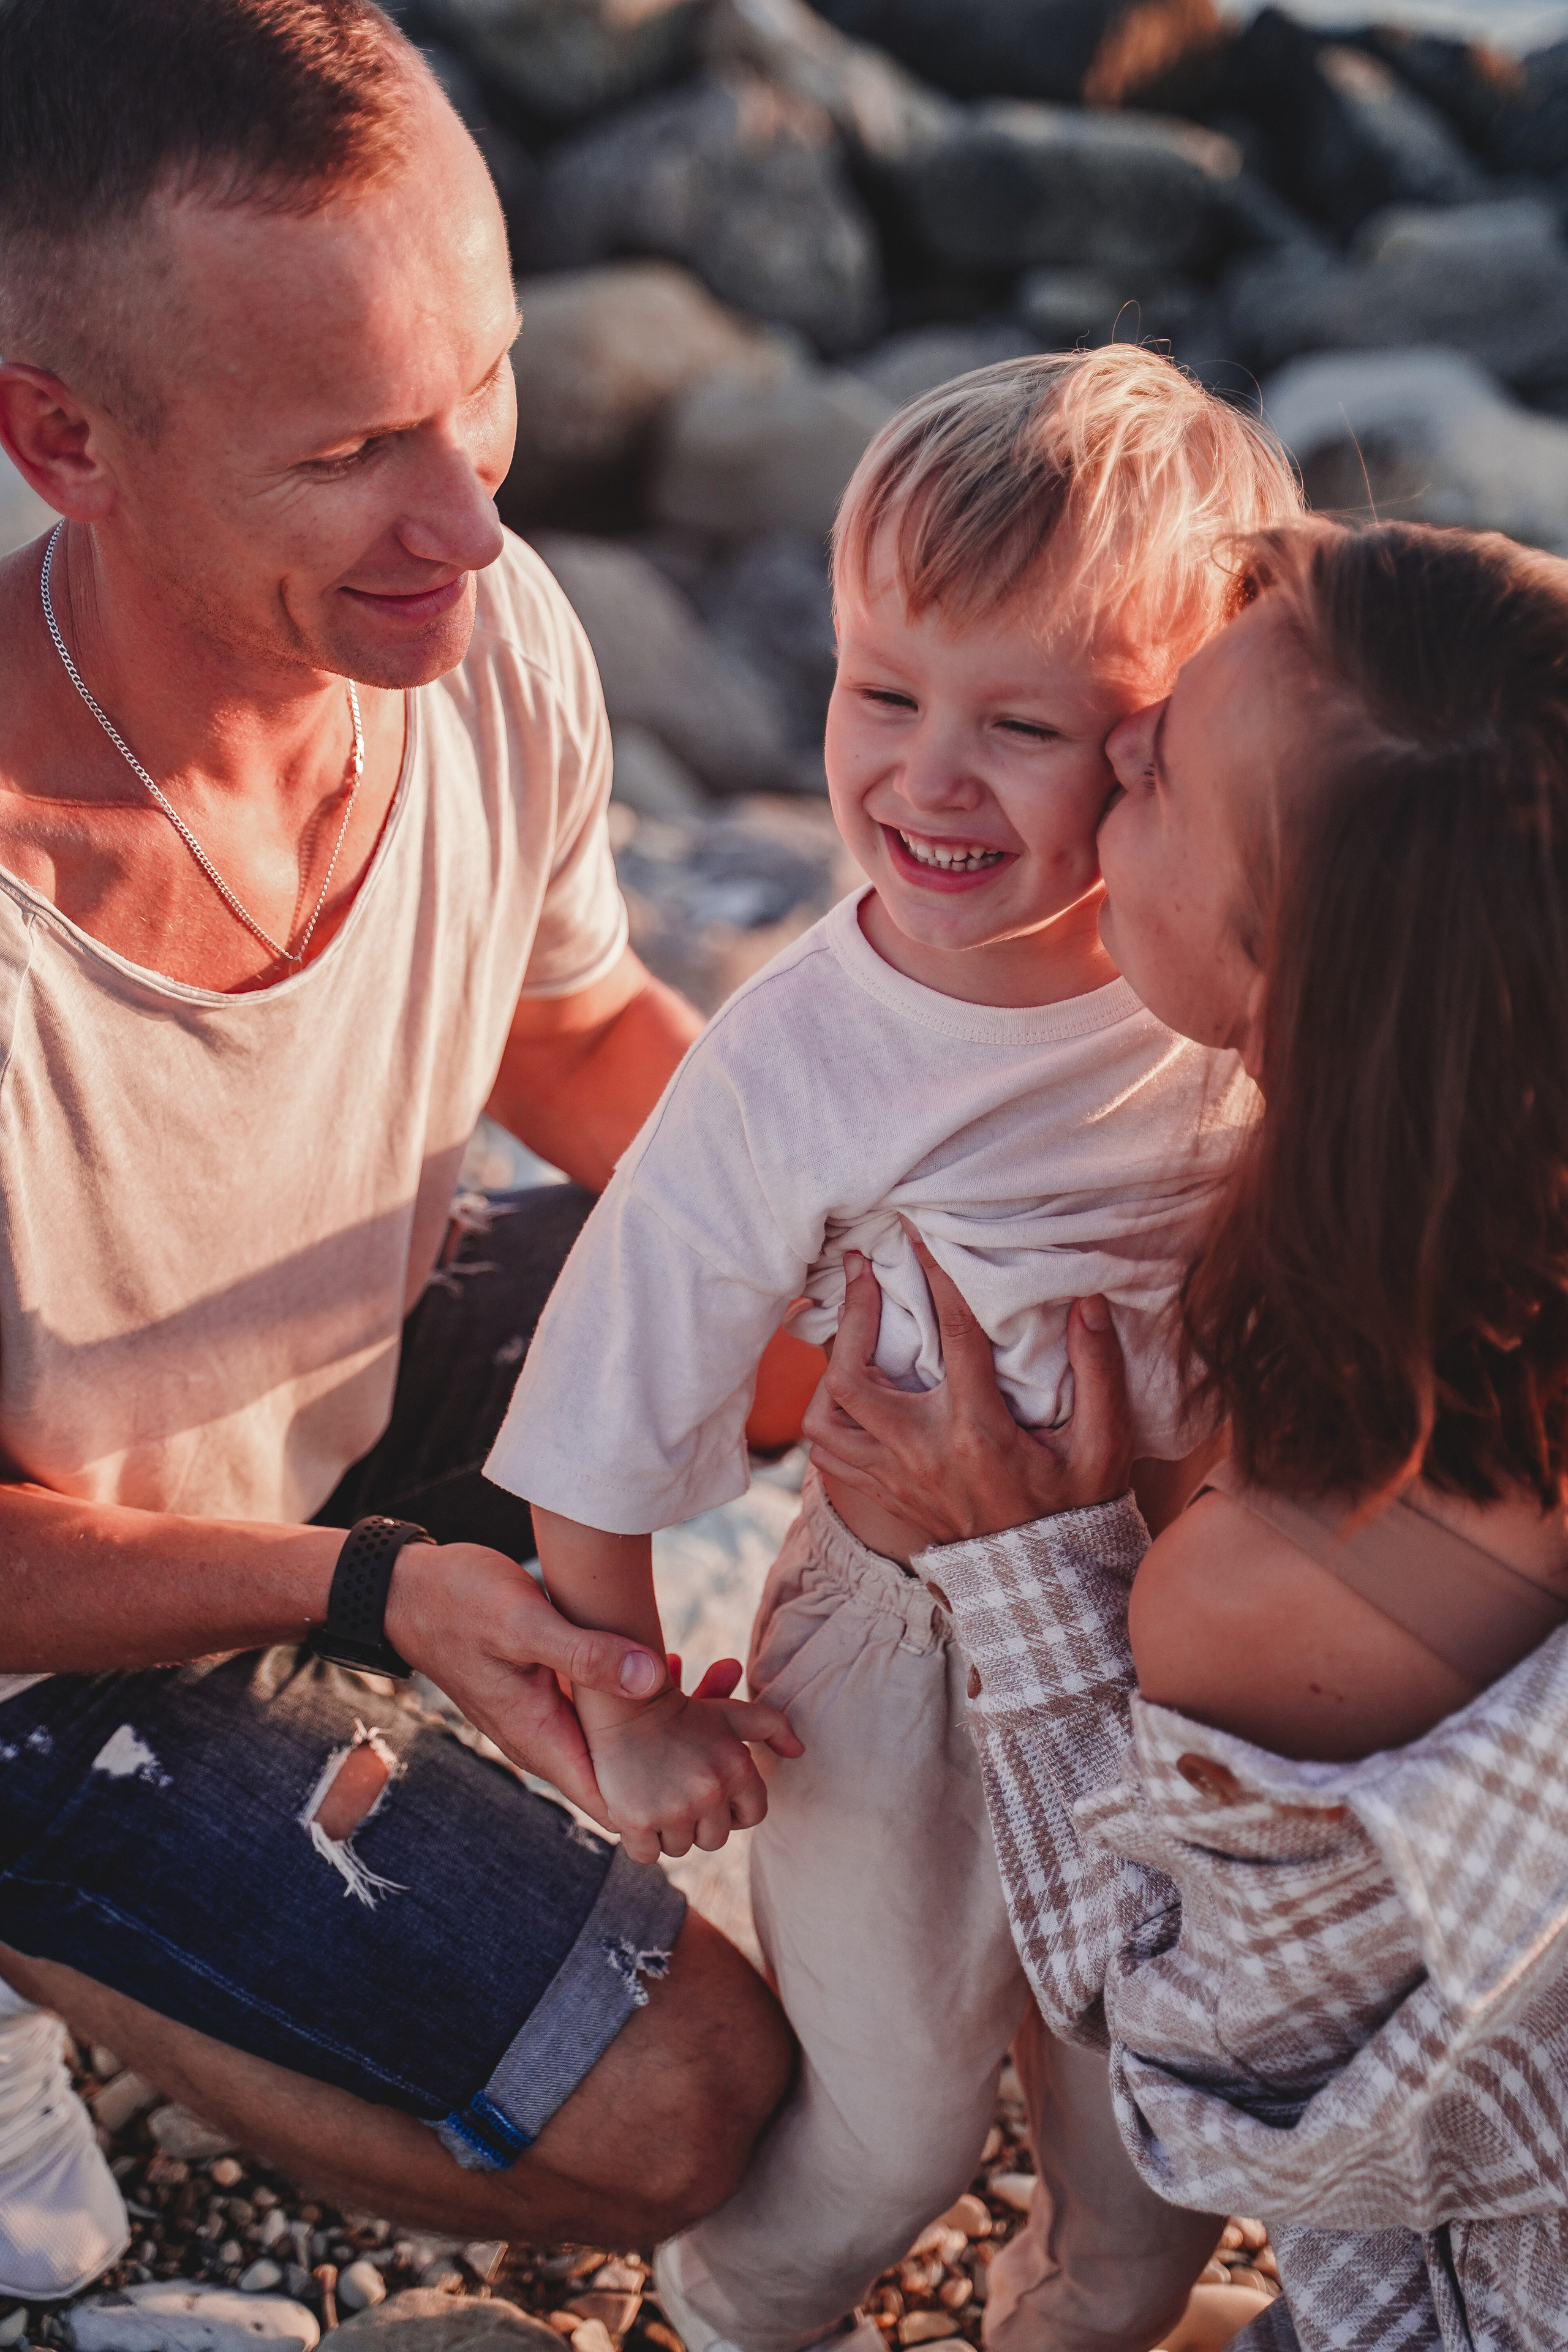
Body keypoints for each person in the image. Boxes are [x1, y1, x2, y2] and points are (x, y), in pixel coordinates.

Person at [0, 0, 805, 2299]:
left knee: (835, 1311)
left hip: (305, 1410)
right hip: (31, 1611)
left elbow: (577, 1035)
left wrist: (900, 1222)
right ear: (66, 439)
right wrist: (385, 1605)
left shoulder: (473, 628)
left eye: (486, 383)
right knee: (681, 2112)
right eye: (355, 445)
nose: (467, 514)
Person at [485, 345, 1302, 2352]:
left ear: (1180, 742)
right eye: (878, 692)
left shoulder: (1241, 976)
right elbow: (618, 1380)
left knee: (1162, 2149)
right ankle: (744, 2313)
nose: (927, 778)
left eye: (1023, 723)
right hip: (904, 1652)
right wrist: (632, 1702)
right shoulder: (808, 1045)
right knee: (893, 2119)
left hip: (1193, 1652)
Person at [807, 518, 1568, 2351]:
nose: (1095, 775)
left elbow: (1194, 2064)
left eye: (1142, 779)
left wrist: (1026, 1572)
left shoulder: (1319, 1571)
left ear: (1290, 980)